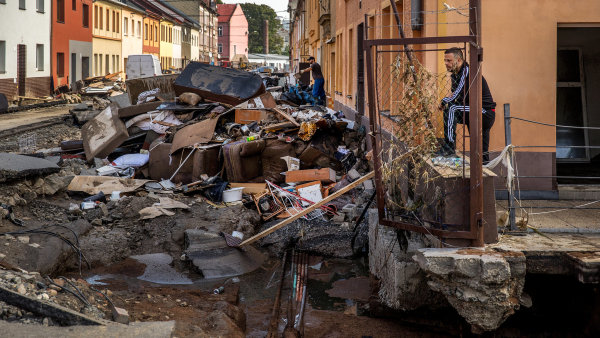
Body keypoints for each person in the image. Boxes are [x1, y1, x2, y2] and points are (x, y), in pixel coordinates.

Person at [439, 47, 496, 163]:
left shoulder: (466, 71)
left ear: (459, 60)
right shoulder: (455, 74)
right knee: (480, 151)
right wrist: (448, 99)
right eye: (445, 60)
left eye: (449, 61)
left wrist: (444, 101)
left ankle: (449, 148)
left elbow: (456, 94)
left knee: (451, 108)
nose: (446, 63)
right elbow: (456, 94)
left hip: (484, 111)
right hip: (473, 110)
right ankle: (484, 166)